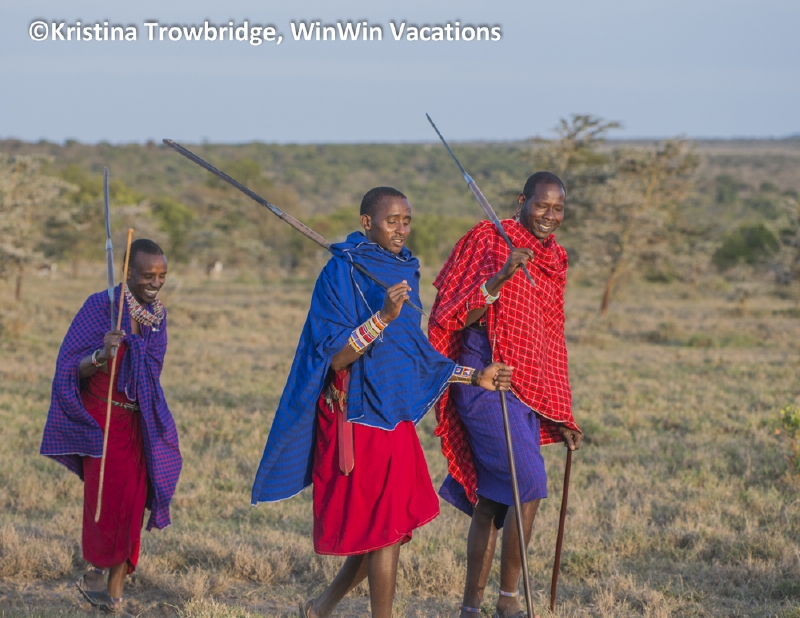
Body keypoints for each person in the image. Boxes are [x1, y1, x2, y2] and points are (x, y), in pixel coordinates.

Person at [251, 187, 513, 618]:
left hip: (393, 414)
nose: (401, 230)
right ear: (366, 223)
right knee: (384, 532)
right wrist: (383, 318)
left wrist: (474, 375)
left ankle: (319, 609)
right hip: (357, 415)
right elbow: (336, 357)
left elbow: (415, 354)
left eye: (406, 221)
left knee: (387, 530)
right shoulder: (340, 272)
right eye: (392, 221)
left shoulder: (405, 272)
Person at [428, 172, 583, 618]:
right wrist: (501, 276)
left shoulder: (556, 257)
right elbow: (454, 316)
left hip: (528, 385)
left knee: (494, 501)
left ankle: (469, 608)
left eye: (558, 208)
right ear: (522, 200)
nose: (550, 216)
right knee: (529, 484)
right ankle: (508, 601)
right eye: (542, 206)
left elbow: (550, 338)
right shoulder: (487, 238)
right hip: (486, 377)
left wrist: (562, 413)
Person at [40, 239, 182, 617]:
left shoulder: (157, 317)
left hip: (139, 419)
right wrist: (102, 354)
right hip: (101, 421)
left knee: (134, 504)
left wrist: (132, 349)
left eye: (162, 275)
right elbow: (70, 366)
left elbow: (152, 369)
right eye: (148, 275)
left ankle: (115, 596)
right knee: (105, 502)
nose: (156, 283)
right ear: (127, 273)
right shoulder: (99, 307)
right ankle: (94, 573)